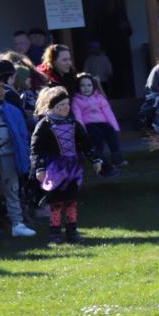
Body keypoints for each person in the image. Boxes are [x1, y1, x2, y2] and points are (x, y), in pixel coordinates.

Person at [30, 87, 102, 245]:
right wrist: (39, 168)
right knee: (56, 202)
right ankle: (55, 234)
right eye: (61, 105)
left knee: (71, 201)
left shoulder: (73, 123)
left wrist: (95, 159)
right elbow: (36, 148)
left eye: (67, 104)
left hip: (73, 169)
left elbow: (86, 143)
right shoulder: (45, 124)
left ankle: (72, 233)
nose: (65, 108)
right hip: (55, 170)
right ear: (52, 107)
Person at [0, 72, 35, 242]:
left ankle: (17, 224)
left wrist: (24, 153)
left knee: (12, 190)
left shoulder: (12, 111)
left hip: (9, 155)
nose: (2, 91)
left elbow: (22, 134)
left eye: (3, 87)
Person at [70, 73, 125, 176]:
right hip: (89, 124)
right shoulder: (76, 100)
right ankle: (100, 161)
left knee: (111, 133)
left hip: (102, 122)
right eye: (82, 85)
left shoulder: (99, 97)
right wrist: (82, 131)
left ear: (93, 86)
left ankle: (117, 159)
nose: (86, 88)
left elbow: (108, 112)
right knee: (97, 136)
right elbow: (78, 116)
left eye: (89, 85)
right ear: (78, 87)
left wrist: (114, 126)